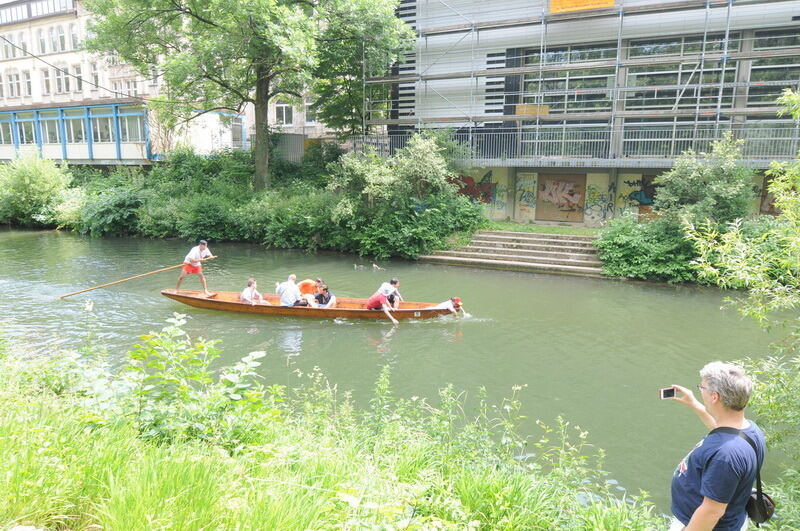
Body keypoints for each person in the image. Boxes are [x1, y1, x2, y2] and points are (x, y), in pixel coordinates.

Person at [666, 361, 766, 531]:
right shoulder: (749, 430)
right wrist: (696, 405)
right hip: (733, 519)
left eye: (702, 388)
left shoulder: (725, 456)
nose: (700, 391)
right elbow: (724, 433)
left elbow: (711, 512)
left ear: (714, 397)